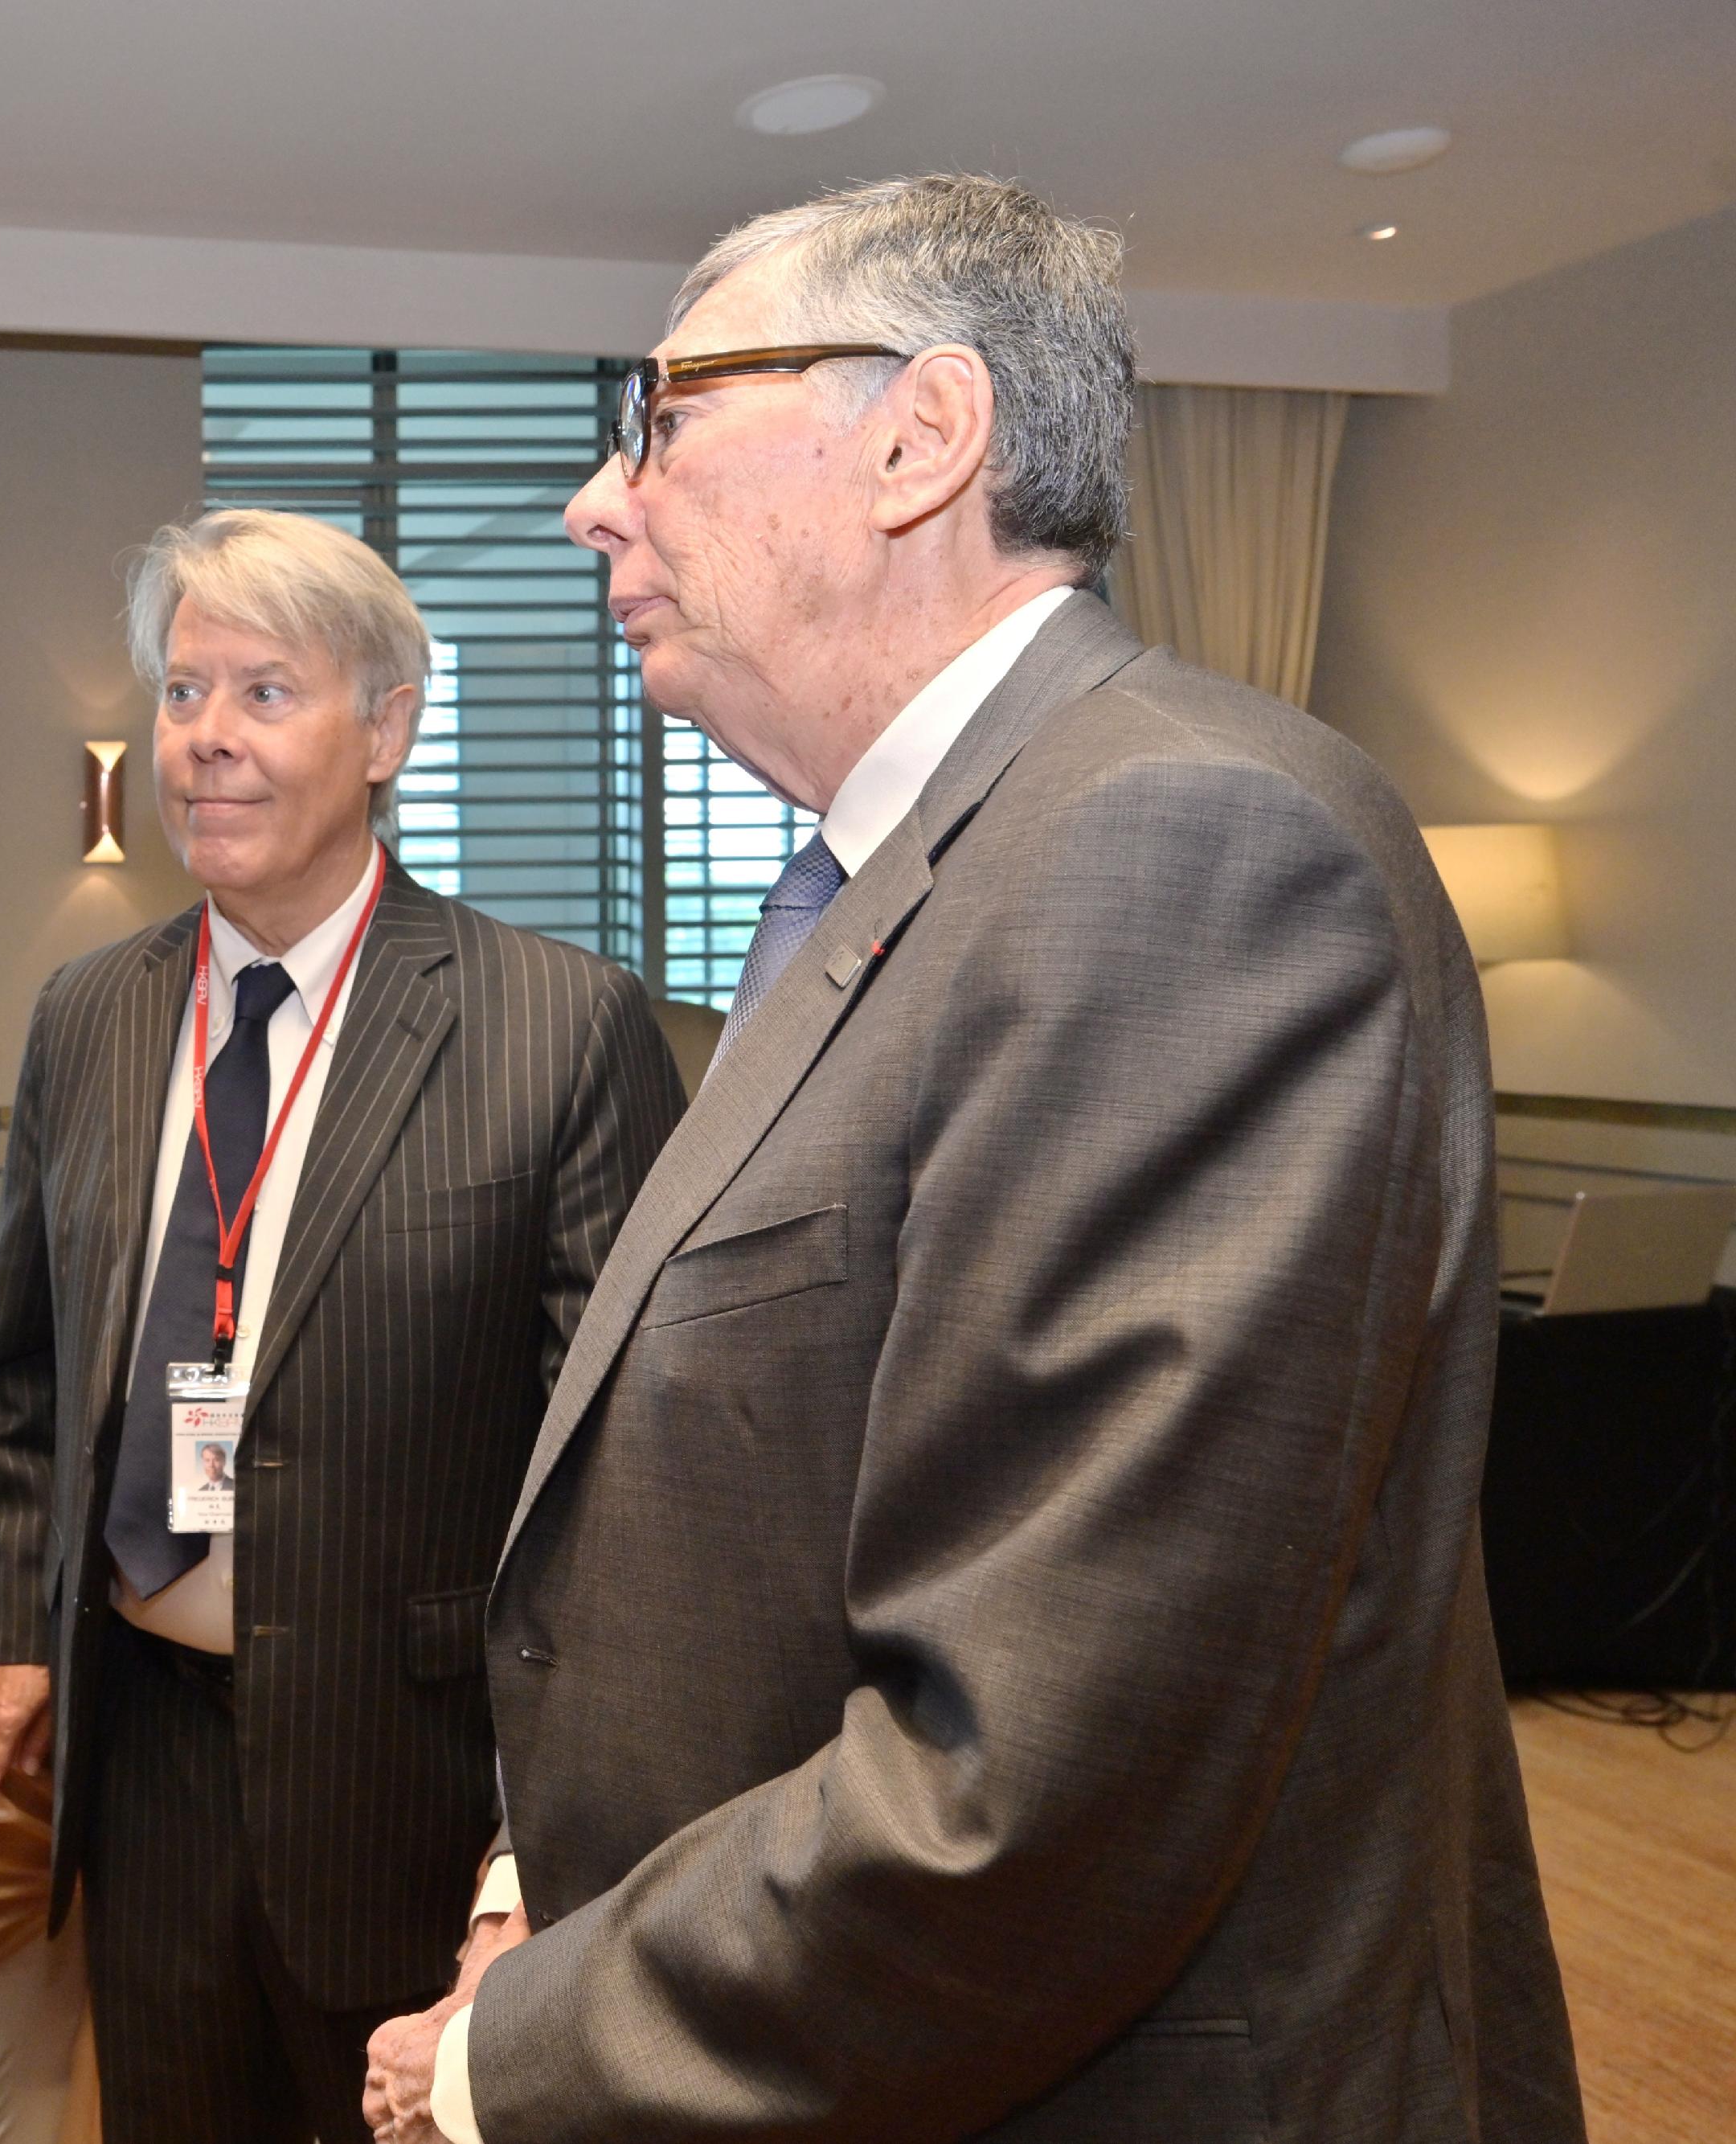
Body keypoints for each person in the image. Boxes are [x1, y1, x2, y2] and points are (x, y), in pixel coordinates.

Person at [361, 174, 1586, 2143]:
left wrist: (518, 2048)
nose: (598, 498)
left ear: (919, 439)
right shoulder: (889, 879)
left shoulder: (1174, 850)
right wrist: (535, 1889)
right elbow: (742, 1523)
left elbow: (1032, 1778)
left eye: (656, 420)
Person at [0, 508, 680, 2143]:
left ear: (386, 729)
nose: (200, 737)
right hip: (139, 1774)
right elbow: (12, 1383)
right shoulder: (90, 1010)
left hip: (406, 1791)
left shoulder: (556, 1027)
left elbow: (614, 1495)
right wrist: (14, 1626)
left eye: (262, 690)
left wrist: (527, 1857)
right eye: (182, 688)